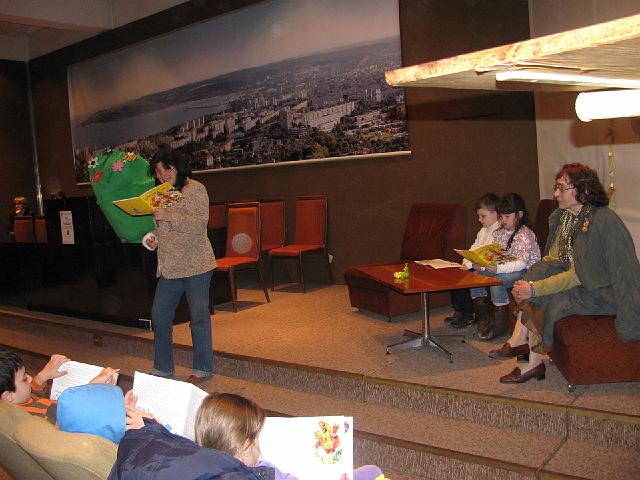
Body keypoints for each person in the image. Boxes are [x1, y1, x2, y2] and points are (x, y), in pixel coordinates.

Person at [492, 163, 640, 383]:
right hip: (585, 286)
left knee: (546, 300)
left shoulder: (603, 221)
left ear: (582, 190)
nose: (555, 194)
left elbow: (585, 274)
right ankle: (529, 360)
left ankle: (529, 360)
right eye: (556, 187)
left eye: (561, 188)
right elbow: (558, 262)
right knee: (537, 292)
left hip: (604, 293)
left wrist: (535, 288)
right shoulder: (572, 218)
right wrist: (533, 286)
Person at [121, 392, 385, 480]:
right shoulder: (260, 472)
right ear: (246, 444)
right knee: (373, 472)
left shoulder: (200, 458)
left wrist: (151, 425)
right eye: (257, 440)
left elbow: (179, 442)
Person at [142, 147, 216, 383]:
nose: (162, 175)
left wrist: (167, 216)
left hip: (196, 264)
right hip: (170, 266)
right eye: (158, 172)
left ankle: (202, 369)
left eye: (167, 169)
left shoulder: (195, 189)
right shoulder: (161, 194)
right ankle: (163, 368)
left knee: (199, 319)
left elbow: (200, 224)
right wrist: (153, 237)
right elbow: (164, 229)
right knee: (159, 316)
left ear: (177, 167)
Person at [470, 193, 541, 340]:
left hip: (526, 270)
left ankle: (500, 325)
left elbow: (521, 263)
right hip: (503, 268)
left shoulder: (525, 234)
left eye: (507, 217)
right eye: (501, 217)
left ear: (519, 214)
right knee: (475, 278)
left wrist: (497, 269)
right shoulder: (499, 232)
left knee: (497, 281)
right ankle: (485, 319)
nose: (503, 220)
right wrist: (482, 267)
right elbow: (494, 256)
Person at [0, 349, 119, 423]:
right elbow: (74, 412)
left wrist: (41, 377)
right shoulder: (45, 413)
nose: (30, 378)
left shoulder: (13, 406)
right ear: (9, 396)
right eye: (24, 379)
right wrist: (93, 387)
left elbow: (28, 396)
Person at [447, 193, 500, 329]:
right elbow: (473, 248)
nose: (479, 220)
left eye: (483, 216)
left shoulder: (498, 232)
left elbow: (487, 255)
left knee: (466, 280)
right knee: (456, 275)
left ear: (496, 213)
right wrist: (465, 263)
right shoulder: (483, 230)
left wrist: (470, 265)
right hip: (476, 264)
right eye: (478, 216)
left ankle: (469, 313)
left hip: (486, 267)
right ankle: (459, 310)